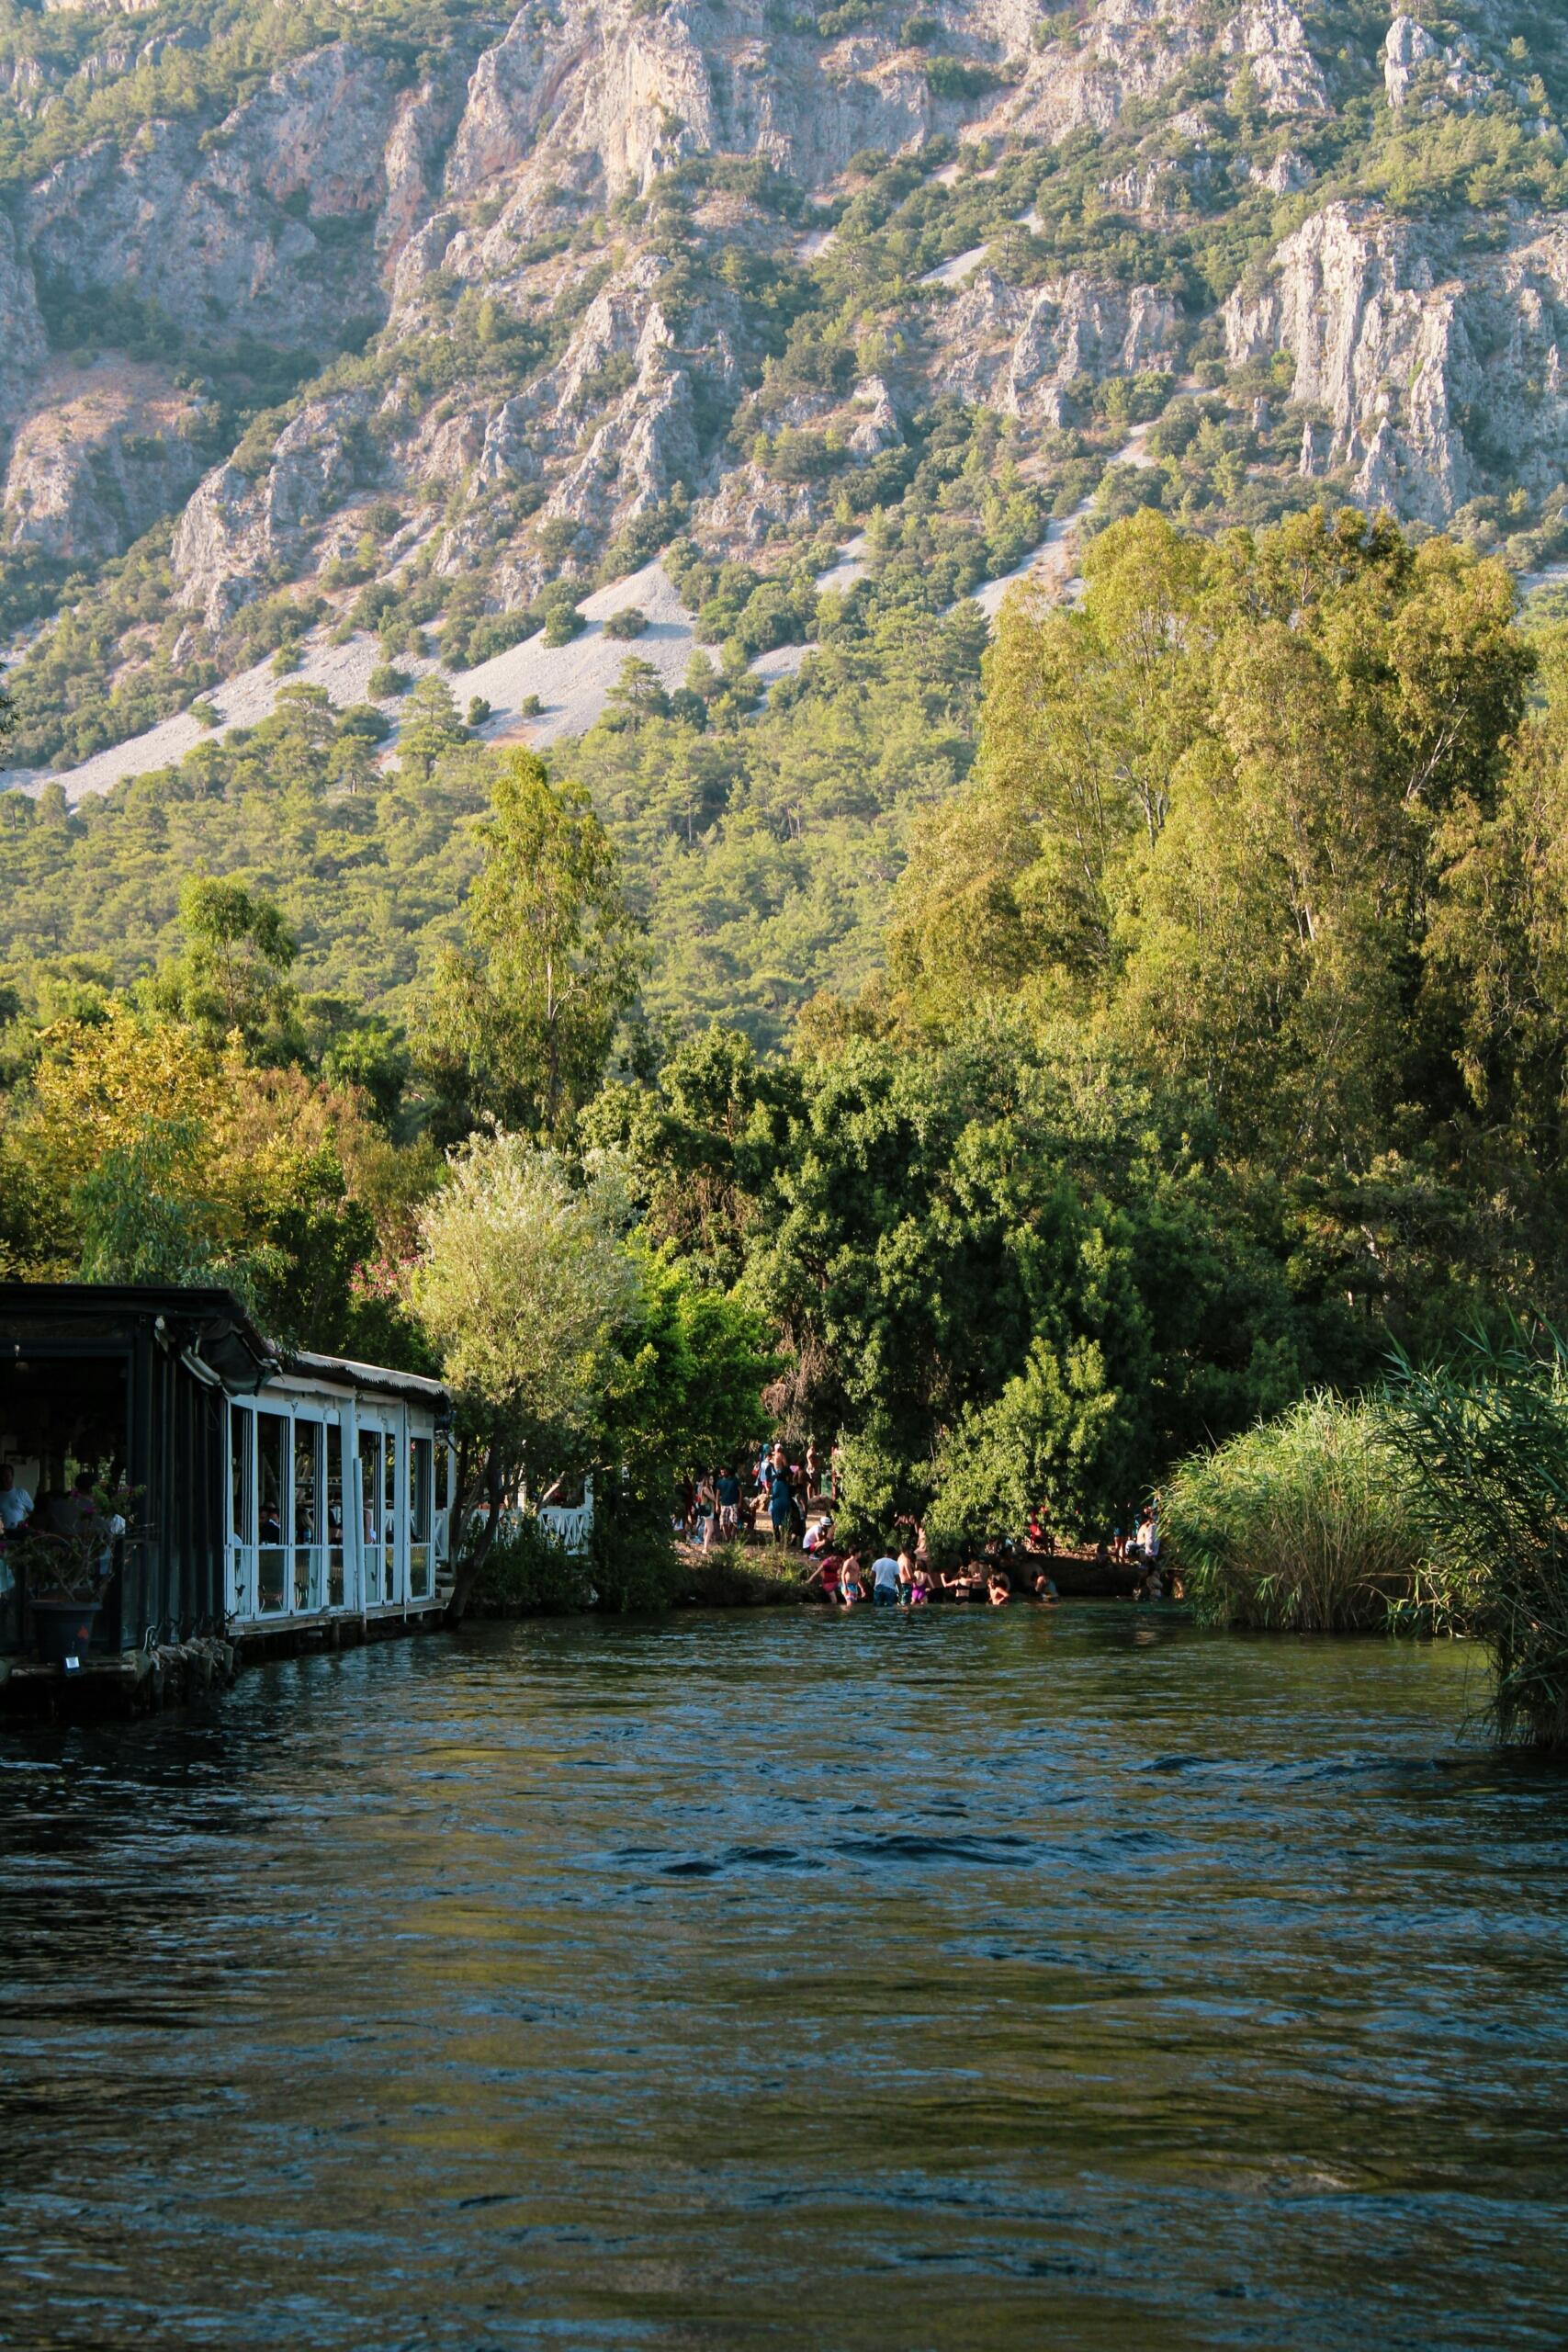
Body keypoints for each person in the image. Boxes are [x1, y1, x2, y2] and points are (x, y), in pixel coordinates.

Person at [765, 1445, 796, 1548]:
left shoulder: (776, 1484)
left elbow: (774, 1495)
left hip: (777, 1504)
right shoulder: (782, 1456)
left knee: (775, 1523)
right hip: (786, 1504)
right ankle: (785, 1541)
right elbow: (786, 1465)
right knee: (784, 1523)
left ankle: (777, 1540)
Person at [0, 1465, 32, 1533]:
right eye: (1, 1476)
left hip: (19, 1534)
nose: (3, 1479)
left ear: (12, 1477)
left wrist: (25, 1523)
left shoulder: (21, 1493)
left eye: (7, 1476)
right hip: (2, 1535)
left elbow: (34, 1514)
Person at [869, 1543, 902, 1608]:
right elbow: (897, 1578)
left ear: (886, 1553)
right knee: (889, 1611)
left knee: (878, 1609)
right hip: (890, 1589)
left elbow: (871, 1575)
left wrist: (876, 1583)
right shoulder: (894, 1563)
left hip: (878, 1587)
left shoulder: (877, 1561)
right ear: (893, 1553)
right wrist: (900, 1591)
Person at [716, 1464, 741, 1540]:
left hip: (733, 1503)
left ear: (727, 1471)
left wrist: (739, 1502)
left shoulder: (735, 1480)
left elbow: (740, 1491)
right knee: (723, 1522)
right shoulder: (719, 1482)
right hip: (723, 1504)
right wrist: (717, 1505)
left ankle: (732, 1537)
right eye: (721, 1472)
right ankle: (728, 1538)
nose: (723, 1473)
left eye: (724, 1472)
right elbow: (717, 1494)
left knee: (734, 1521)